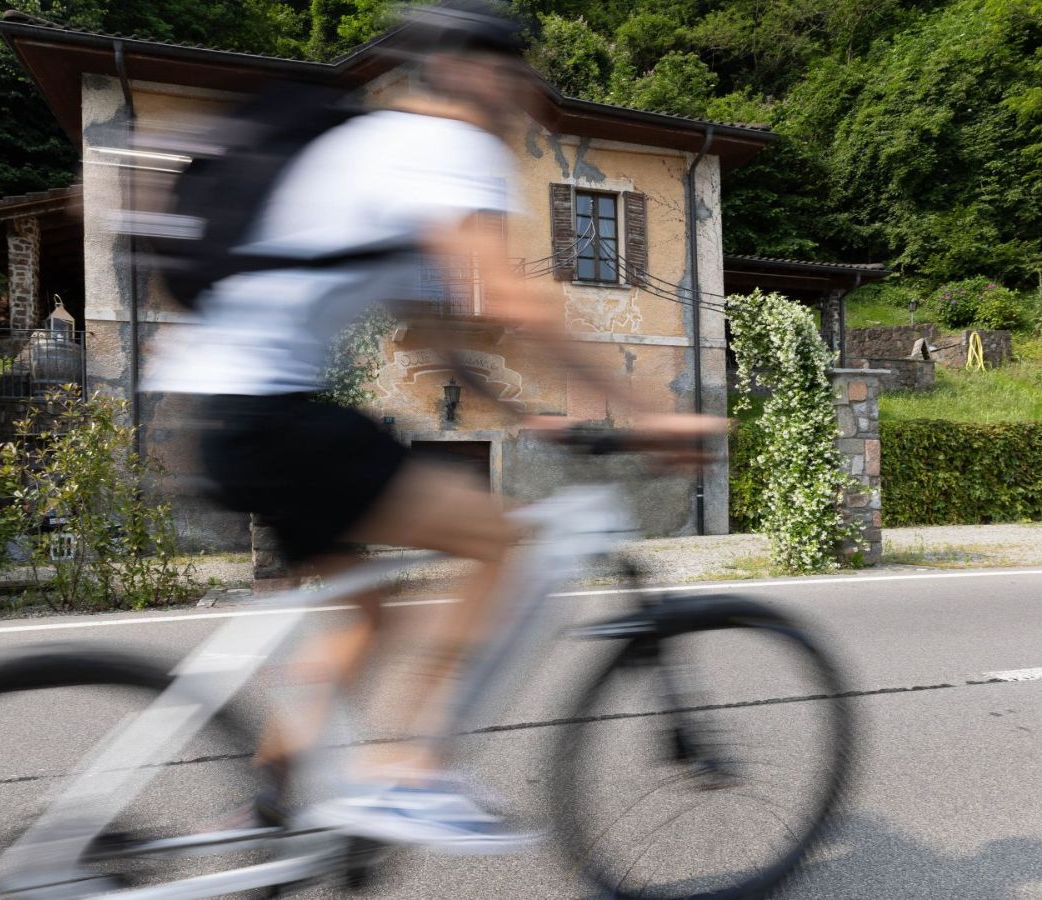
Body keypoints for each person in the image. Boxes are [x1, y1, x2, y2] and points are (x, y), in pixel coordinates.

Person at [144, 0, 716, 852]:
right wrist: (657, 416)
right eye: (519, 72)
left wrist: (537, 417)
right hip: (273, 409)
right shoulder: (454, 147)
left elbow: (434, 337)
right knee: (506, 543)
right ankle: (414, 774)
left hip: (225, 409)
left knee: (365, 612)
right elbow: (518, 299)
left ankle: (272, 809)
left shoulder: (378, 147)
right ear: (478, 72)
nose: (526, 94)